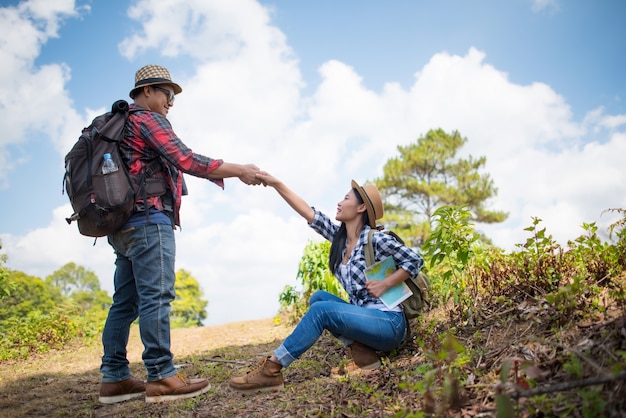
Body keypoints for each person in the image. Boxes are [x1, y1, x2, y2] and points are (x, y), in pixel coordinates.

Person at [98, 64, 262, 404]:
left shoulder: (119, 124)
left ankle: (113, 379)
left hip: (121, 225)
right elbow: (188, 160)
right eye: (166, 93)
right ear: (146, 92)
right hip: (147, 220)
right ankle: (161, 376)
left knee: (125, 303)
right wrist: (240, 170)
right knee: (157, 296)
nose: (171, 101)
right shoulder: (146, 119)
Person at [229, 172, 424, 393]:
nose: (339, 203)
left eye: (346, 199)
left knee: (322, 310)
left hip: (389, 323)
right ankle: (362, 352)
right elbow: (308, 212)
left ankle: (272, 368)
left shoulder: (376, 239)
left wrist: (386, 283)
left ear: (361, 208)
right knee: (318, 298)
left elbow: (415, 260)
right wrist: (276, 184)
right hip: (366, 318)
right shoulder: (341, 241)